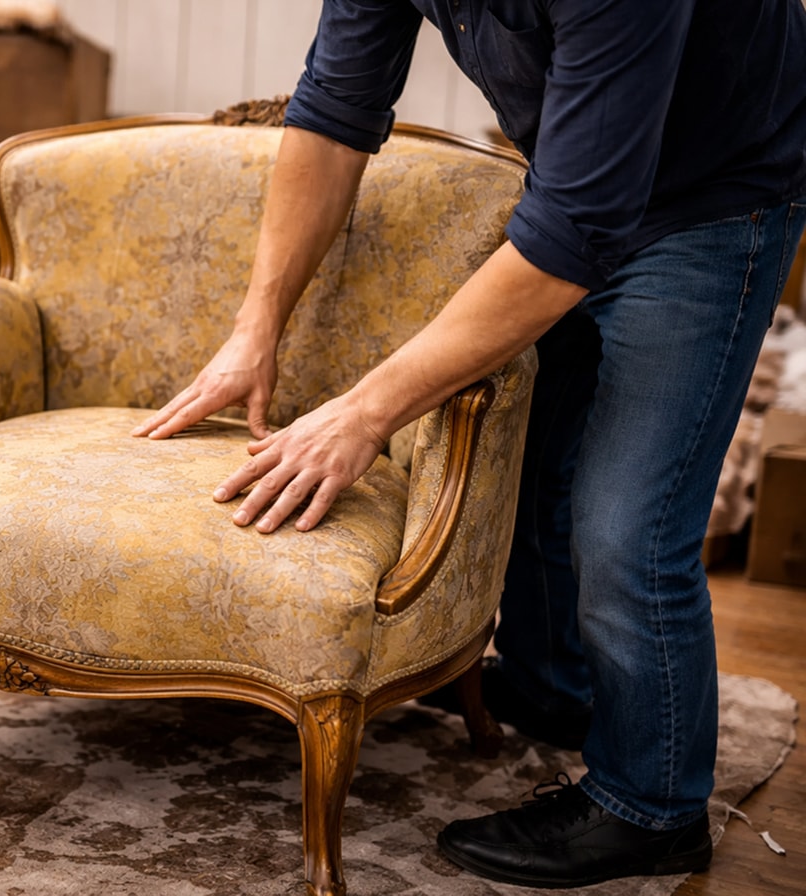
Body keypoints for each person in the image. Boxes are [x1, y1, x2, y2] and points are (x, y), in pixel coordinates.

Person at [132, 0, 806, 888]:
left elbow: (575, 233)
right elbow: (335, 110)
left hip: (716, 205)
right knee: (525, 464)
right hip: (583, 184)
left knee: (626, 526)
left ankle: (652, 807)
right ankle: (550, 688)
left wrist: (364, 413)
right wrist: (254, 329)